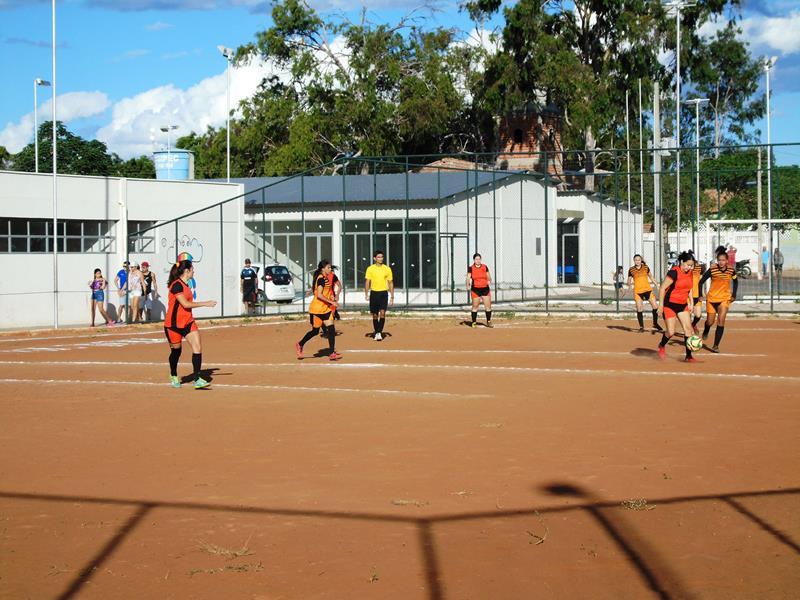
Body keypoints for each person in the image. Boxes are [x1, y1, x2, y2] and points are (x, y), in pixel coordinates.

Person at [165, 259, 217, 389]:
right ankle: (173, 375)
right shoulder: (176, 285)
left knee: (197, 347)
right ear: (187, 271)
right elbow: (185, 304)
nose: (194, 271)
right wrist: (206, 303)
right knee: (176, 352)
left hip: (188, 321)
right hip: (173, 325)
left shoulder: (186, 285)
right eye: (192, 269)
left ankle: (197, 378)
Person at [295, 260, 341, 361]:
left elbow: (325, 292)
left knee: (331, 329)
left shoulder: (325, 278)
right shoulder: (321, 279)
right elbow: (319, 295)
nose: (330, 269)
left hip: (325, 309)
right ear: (322, 269)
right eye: (328, 268)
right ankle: (300, 344)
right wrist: (332, 302)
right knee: (315, 331)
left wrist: (331, 298)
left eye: (330, 267)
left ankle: (332, 352)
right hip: (316, 310)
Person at [657, 251, 697, 362]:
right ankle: (662, 345)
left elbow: (689, 288)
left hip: (682, 304)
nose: (689, 267)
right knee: (670, 332)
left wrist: (691, 302)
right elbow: (662, 288)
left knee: (688, 330)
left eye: (691, 265)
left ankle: (688, 356)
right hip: (669, 305)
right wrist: (660, 306)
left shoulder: (690, 273)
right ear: (682, 262)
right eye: (688, 265)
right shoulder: (674, 272)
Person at [698, 249, 738, 353]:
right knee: (710, 322)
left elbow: (735, 281)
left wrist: (733, 295)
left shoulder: (731, 270)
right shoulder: (712, 269)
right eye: (719, 260)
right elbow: (701, 282)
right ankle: (706, 329)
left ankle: (715, 345)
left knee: (721, 321)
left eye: (723, 260)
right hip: (712, 299)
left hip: (724, 298)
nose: (721, 262)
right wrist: (700, 295)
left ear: (727, 261)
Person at [622, 254, 662, 332]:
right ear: (634, 261)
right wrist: (629, 284)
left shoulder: (646, 267)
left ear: (641, 260)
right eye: (636, 260)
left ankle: (655, 323)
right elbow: (629, 280)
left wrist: (656, 285)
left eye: (639, 260)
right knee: (639, 308)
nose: (637, 261)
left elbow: (651, 277)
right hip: (638, 291)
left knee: (655, 306)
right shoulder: (631, 270)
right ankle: (641, 327)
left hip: (647, 290)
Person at [364, 250, 394, 341]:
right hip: (374, 293)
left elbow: (390, 282)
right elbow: (367, 281)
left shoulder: (387, 268)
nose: (381, 259)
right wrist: (366, 293)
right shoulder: (370, 269)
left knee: (382, 313)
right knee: (375, 315)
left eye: (382, 257)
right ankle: (377, 331)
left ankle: (379, 332)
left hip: (383, 293)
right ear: (374, 258)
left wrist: (392, 296)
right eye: (379, 257)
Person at [466, 253, 493, 327]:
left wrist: (489, 280)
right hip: (476, 289)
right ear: (474, 260)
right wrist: (467, 284)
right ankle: (474, 322)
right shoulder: (471, 268)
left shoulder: (484, 267)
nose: (478, 260)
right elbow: (468, 278)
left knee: (488, 306)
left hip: (485, 289)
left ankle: (489, 321)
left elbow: (488, 276)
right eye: (476, 259)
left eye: (479, 259)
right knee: (475, 306)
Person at [320, 266, 341, 339]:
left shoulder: (333, 276)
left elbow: (339, 286)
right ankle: (327, 331)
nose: (329, 270)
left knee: (330, 317)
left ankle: (329, 332)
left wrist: (337, 295)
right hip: (323, 299)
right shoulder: (321, 276)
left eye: (330, 269)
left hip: (331, 299)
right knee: (320, 317)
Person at [688, 251, 706, 335]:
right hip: (687, 296)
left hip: (697, 295)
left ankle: (693, 324)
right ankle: (689, 333)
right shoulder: (685, 269)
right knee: (688, 315)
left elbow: (701, 281)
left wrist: (702, 293)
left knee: (698, 315)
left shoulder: (699, 268)